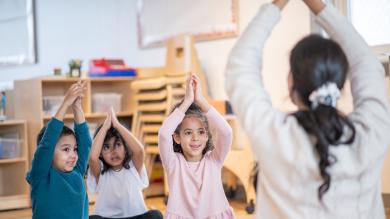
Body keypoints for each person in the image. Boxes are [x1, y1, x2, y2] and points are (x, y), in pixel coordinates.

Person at [225, 0, 390, 218]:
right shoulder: (370, 132)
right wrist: (318, 5)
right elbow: (367, 63)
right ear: (341, 84)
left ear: (291, 82)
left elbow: (240, 64)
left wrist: (276, 5)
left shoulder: (273, 134)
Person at [158, 74, 235, 218]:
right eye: (188, 133)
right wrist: (187, 101)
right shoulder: (173, 163)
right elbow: (163, 134)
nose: (195, 138)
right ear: (177, 137)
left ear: (206, 136)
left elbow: (227, 132)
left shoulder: (213, 160)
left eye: (200, 132)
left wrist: (201, 100)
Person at [26, 81, 91, 219]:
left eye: (74, 149)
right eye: (66, 149)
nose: (73, 155)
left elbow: (85, 142)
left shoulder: (78, 170)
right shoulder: (41, 175)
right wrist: (65, 103)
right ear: (49, 154)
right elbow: (47, 144)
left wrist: (77, 106)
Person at [88, 108, 163, 219]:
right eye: (106, 147)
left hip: (135, 216)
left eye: (118, 144)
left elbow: (139, 150)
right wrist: (105, 127)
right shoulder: (100, 171)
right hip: (107, 217)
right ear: (100, 153)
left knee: (156, 215)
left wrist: (117, 125)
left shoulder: (133, 166)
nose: (113, 151)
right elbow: (92, 157)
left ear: (126, 147)